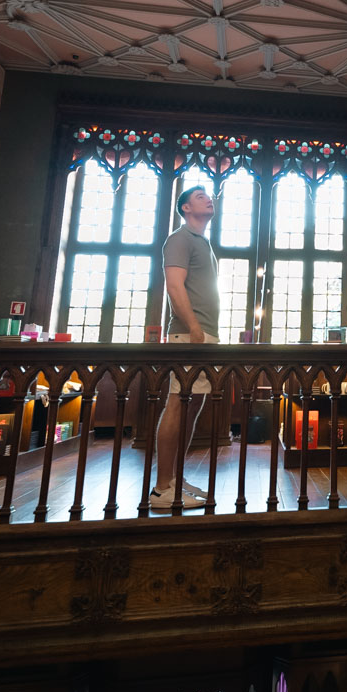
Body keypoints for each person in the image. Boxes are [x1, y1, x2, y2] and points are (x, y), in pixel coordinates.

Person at [151, 185, 219, 510]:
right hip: (188, 336)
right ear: (185, 208)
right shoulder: (179, 239)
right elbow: (174, 286)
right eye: (200, 196)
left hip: (204, 336)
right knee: (178, 404)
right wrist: (193, 327)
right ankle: (162, 488)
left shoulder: (202, 242)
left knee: (192, 407)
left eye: (209, 195)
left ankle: (175, 479)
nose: (209, 198)